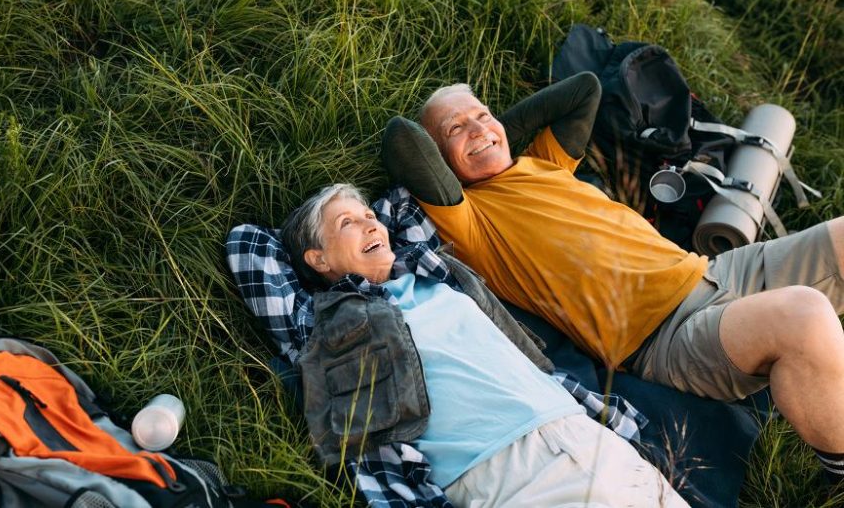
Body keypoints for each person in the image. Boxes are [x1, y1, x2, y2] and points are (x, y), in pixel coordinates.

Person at [380, 70, 844, 484]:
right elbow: (403, 138)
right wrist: (479, 139)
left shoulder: (544, 162)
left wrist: (489, 131)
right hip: (668, 337)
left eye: (482, 115)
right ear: (440, 159)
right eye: (455, 129)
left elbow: (585, 89)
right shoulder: (467, 219)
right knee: (803, 316)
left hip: (714, 272)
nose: (477, 128)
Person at [274, 183, 687, 507]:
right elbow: (247, 244)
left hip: (585, 435)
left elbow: (400, 199)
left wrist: (361, 224)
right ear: (318, 260)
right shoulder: (322, 318)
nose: (371, 225)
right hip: (504, 473)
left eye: (369, 217)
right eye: (348, 223)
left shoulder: (432, 270)